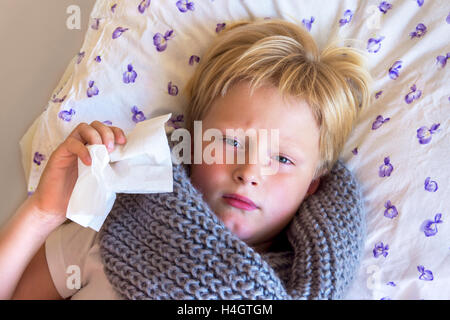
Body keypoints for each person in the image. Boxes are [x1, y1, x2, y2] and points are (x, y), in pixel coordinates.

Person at [0, 18, 371, 299]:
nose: (249, 172)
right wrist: (42, 214)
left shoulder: (300, 287)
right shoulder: (112, 230)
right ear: (192, 142)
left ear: (312, 186)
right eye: (228, 141)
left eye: (284, 159)